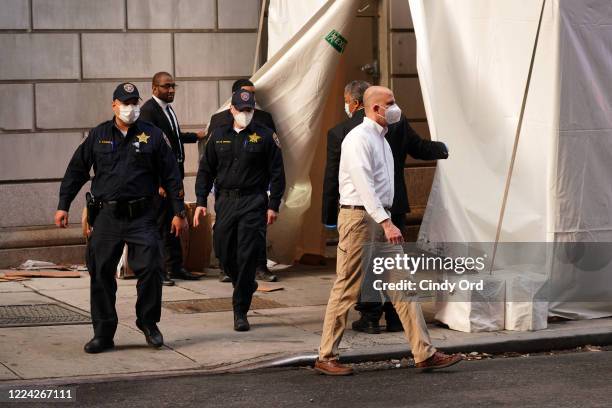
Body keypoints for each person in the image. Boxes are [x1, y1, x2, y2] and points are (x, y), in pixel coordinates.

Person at [314, 86, 461, 375]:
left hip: (379, 218)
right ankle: (326, 356)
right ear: (375, 108)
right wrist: (386, 221)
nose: (396, 107)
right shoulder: (358, 139)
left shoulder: (381, 137)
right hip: (361, 220)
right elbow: (363, 185)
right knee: (347, 287)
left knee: (403, 287)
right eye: (390, 103)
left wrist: (386, 219)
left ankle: (424, 353)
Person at [55, 83, 188, 353]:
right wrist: (63, 205)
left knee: (151, 269)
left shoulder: (153, 135)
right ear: (114, 105)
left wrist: (178, 212)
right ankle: (103, 333)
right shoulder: (99, 135)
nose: (131, 108)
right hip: (107, 216)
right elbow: (76, 170)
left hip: (142, 216)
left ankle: (148, 323)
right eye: (125, 103)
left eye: (134, 103)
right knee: (101, 273)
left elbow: (172, 175)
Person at [194, 90, 285, 332]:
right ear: (232, 110)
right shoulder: (218, 136)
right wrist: (201, 201)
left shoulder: (265, 136)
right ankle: (244, 283)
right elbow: (206, 170)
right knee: (223, 250)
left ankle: (240, 310)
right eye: (241, 110)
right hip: (225, 201)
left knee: (246, 255)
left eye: (249, 110)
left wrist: (273, 204)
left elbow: (277, 173)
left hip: (253, 202)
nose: (246, 114)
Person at [206, 79, 278, 283]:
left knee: (256, 233)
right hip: (226, 193)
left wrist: (272, 197)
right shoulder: (218, 120)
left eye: (253, 95)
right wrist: (207, 194)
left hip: (254, 192)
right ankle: (226, 268)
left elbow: (274, 158)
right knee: (224, 234)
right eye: (246, 94)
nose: (251, 100)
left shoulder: (264, 119)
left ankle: (258, 267)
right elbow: (209, 160)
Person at [139, 71, 206, 286]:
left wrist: (195, 136)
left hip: (173, 177)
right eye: (166, 86)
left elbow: (173, 138)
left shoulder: (167, 109)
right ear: (154, 88)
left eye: (173, 86)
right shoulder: (148, 112)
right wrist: (158, 182)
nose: (171, 90)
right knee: (160, 227)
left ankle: (176, 268)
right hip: (162, 182)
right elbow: (149, 150)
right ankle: (160, 271)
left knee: (175, 223)